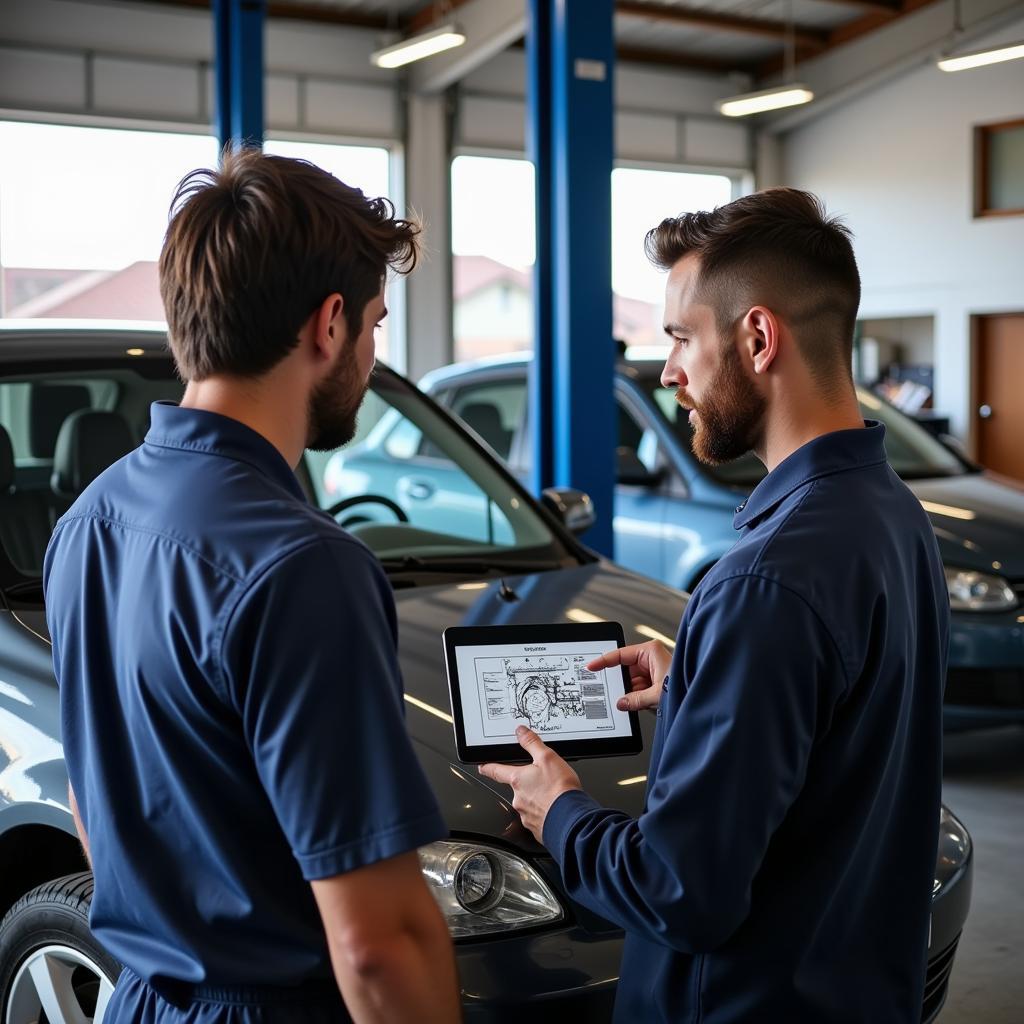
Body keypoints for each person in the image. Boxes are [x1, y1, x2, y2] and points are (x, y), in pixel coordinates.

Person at [479, 188, 949, 1022]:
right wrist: (701, 676)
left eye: (681, 338)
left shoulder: (766, 583)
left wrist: (561, 814)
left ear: (758, 338)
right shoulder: (889, 512)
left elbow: (682, 892)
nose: (667, 372)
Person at [44, 149, 460, 1023]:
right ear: (330, 324)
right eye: (377, 325)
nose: (373, 355)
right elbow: (380, 946)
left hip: (143, 998)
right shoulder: (303, 566)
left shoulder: (87, 521)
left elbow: (96, 799)